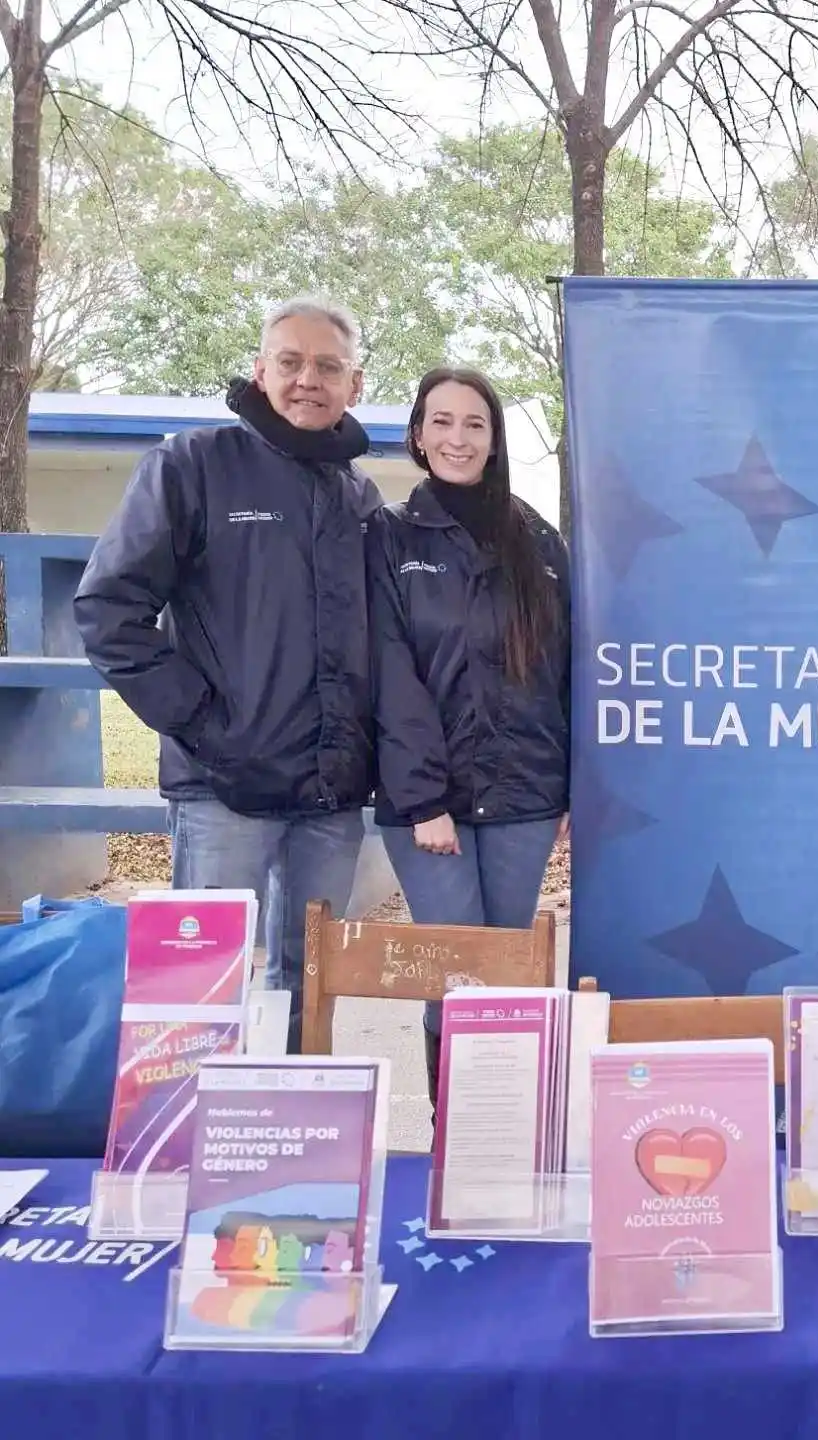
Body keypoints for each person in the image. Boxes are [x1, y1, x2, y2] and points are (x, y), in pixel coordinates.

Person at [75, 297, 381, 1050]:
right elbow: (109, 608)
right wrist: (207, 725)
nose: (307, 379)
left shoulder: (360, 497)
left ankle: (295, 1139)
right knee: (201, 986)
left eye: (328, 366)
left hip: (330, 795)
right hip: (223, 789)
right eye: (290, 361)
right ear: (260, 370)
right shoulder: (193, 464)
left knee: (310, 983)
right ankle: (184, 1148)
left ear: (355, 384)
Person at [368, 367, 571, 1107]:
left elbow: (565, 666)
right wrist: (423, 799)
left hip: (525, 795)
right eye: (442, 421)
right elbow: (389, 674)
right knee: (454, 968)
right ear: (418, 435)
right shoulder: (388, 536)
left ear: (494, 438)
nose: (458, 437)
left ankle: (503, 1139)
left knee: (505, 970)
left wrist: (569, 788)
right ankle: (450, 1134)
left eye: (475, 423)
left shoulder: (538, 539)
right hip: (430, 803)